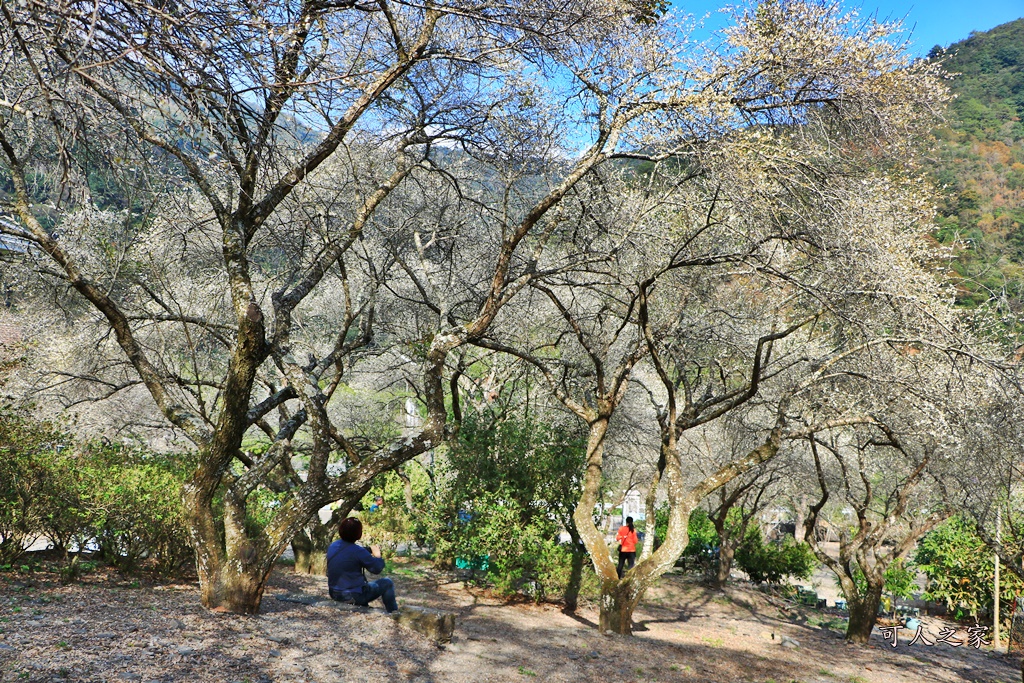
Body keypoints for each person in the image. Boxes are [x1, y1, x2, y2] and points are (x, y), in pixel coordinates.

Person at [326, 517, 399, 613]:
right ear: (359, 534)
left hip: (334, 592)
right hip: (353, 595)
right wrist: (377, 555)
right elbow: (376, 569)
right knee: (387, 582)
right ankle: (394, 612)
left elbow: (349, 551)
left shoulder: (333, 545)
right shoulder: (358, 551)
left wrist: (367, 550)